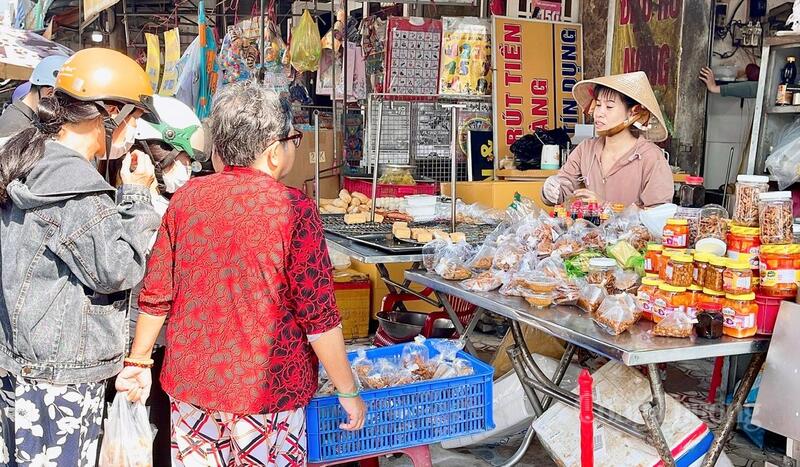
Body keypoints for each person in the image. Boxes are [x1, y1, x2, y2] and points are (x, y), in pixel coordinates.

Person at [119, 80, 366, 465]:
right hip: (266, 392)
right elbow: (317, 316)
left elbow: (156, 294)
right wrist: (347, 390)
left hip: (191, 388)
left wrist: (138, 362)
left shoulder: (186, 200)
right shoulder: (292, 208)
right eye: (291, 140)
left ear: (219, 153)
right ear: (272, 152)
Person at [0, 48, 159, 465]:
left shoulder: (29, 159)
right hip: (60, 377)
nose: (135, 131)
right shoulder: (73, 186)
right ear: (107, 112)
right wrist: (139, 195)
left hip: (23, 366)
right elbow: (118, 269)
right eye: (135, 118)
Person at [129, 94, 207, 461]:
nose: (186, 168)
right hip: (136, 350)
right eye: (181, 158)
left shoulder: (163, 202)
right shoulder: (127, 201)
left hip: (161, 347)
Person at [542, 71, 674, 207]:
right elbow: (564, 186)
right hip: (589, 228)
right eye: (598, 105)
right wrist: (550, 190)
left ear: (632, 113)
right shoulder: (586, 149)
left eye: (609, 107)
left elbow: (658, 215)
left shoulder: (651, 157)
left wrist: (605, 207)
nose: (599, 113)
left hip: (631, 229)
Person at [0, 55, 69, 138]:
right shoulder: (18, 128)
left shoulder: (27, 117)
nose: (63, 109)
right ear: (50, 93)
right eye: (63, 101)